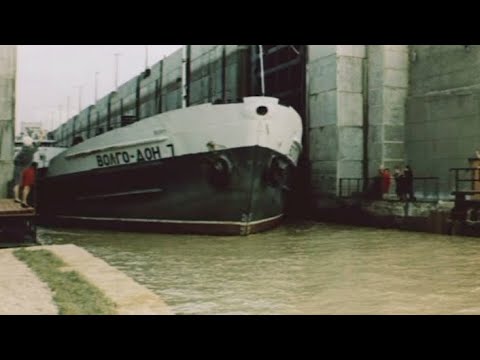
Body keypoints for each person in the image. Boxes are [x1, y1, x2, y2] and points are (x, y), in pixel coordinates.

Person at [12, 136, 38, 206]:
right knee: (27, 186)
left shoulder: (21, 151)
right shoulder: (31, 150)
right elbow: (37, 145)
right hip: (27, 169)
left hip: (18, 168)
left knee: (17, 183)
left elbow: (15, 161)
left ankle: (16, 198)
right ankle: (24, 201)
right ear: (30, 143)